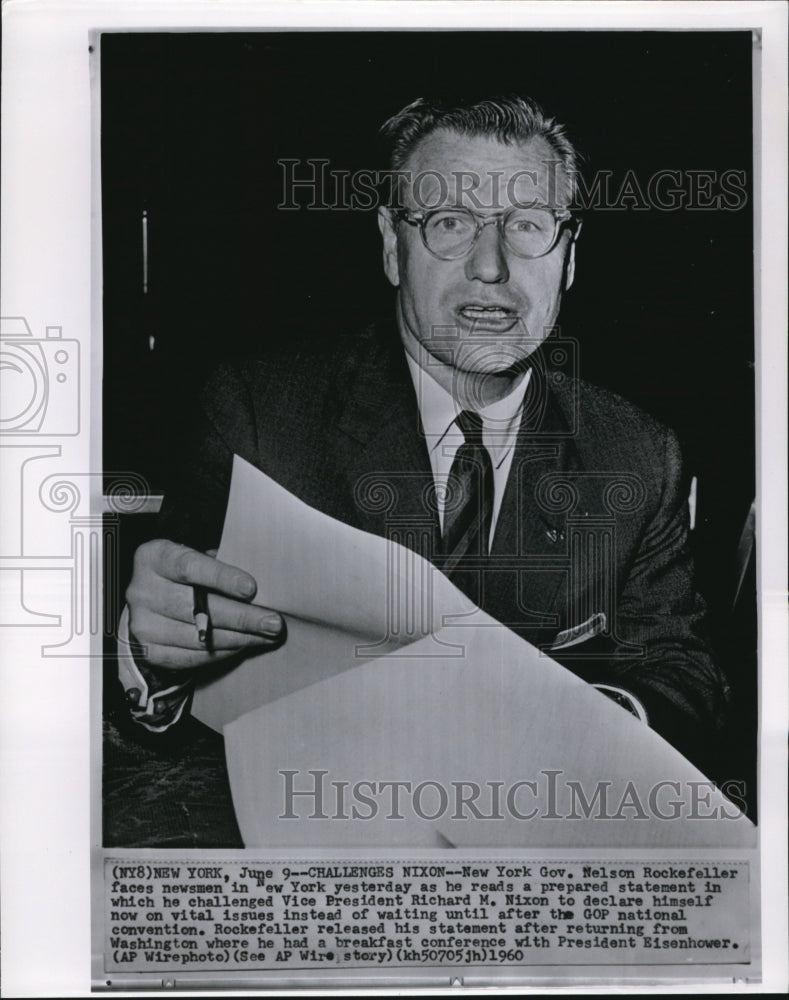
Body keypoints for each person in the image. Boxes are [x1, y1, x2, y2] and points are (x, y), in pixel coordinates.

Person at [119, 95, 729, 772]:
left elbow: (681, 674)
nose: (491, 266)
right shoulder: (255, 415)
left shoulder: (639, 454)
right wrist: (151, 651)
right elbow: (164, 683)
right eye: (449, 222)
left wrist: (591, 731)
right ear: (390, 245)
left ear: (569, 256)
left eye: (526, 224)